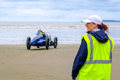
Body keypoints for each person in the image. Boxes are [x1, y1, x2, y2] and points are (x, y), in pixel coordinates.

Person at [72, 15, 114, 80]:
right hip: (105, 76)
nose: (86, 25)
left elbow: (80, 59)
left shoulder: (87, 39)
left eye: (88, 23)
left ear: (95, 24)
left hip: (88, 76)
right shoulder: (110, 40)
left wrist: (74, 74)